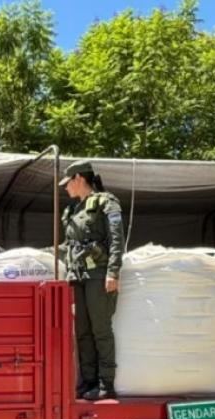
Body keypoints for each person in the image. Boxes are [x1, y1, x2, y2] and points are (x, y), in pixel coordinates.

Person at [59, 160, 125, 401]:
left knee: (100, 330)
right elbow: (69, 246)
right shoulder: (74, 210)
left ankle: (106, 384)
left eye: (68, 183)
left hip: (98, 275)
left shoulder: (106, 202)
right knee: (83, 331)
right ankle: (88, 382)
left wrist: (113, 272)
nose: (66, 188)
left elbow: (117, 240)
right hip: (78, 277)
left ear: (78, 179)